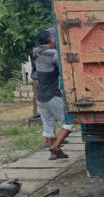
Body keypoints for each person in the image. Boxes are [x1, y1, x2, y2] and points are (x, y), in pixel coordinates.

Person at [33, 29, 72, 160]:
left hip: (40, 96)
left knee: (48, 125)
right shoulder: (54, 54)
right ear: (51, 40)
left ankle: (52, 154)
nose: (55, 41)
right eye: (54, 39)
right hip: (52, 95)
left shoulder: (35, 52)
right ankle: (56, 146)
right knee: (68, 121)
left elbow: (34, 75)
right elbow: (64, 73)